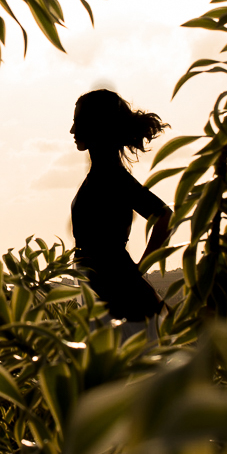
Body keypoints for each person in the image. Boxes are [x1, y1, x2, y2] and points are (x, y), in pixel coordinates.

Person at [69, 90, 172, 324]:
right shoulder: (103, 175)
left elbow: (165, 217)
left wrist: (139, 269)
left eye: (78, 122)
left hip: (121, 300)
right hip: (111, 295)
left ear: (97, 125)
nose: (72, 130)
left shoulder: (110, 176)